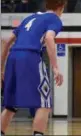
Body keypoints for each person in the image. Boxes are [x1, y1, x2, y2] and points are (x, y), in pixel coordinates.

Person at [1, 0, 66, 135]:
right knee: (44, 104)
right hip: (30, 57)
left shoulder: (30, 17)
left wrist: (1, 68)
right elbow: (49, 38)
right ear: (61, 8)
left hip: (13, 57)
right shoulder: (55, 19)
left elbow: (7, 42)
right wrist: (55, 67)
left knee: (10, 105)